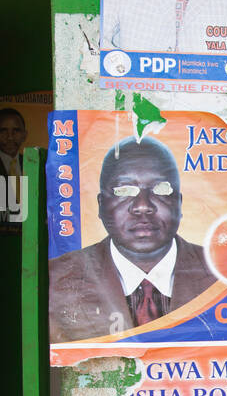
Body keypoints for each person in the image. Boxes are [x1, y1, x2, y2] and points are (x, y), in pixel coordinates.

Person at [48, 135, 216, 342]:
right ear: (101, 205)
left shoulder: (225, 274)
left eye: (161, 189)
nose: (142, 205)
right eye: (124, 190)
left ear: (179, 203)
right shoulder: (55, 279)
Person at [0, 109, 26, 179]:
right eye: (3, 131)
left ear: (24, 135)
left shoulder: (29, 163)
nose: (10, 137)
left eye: (16, 131)